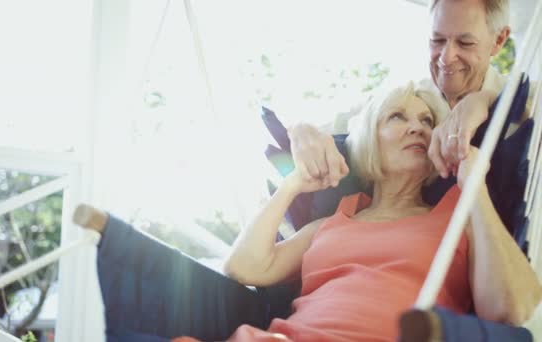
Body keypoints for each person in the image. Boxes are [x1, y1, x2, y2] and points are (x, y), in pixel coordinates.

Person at [218, 81, 540, 341]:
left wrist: (475, 187)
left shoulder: (460, 218)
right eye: (397, 116)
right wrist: (293, 185)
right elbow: (244, 267)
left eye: (427, 121)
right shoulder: (331, 222)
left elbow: (514, 309)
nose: (418, 128)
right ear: (369, 138)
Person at [289, 0, 528, 186]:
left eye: (465, 43)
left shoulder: (528, 96)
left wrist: (487, 100)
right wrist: (302, 132)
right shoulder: (407, 98)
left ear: (498, 40)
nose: (446, 58)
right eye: (437, 40)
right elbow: (328, 127)